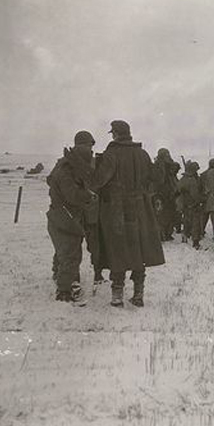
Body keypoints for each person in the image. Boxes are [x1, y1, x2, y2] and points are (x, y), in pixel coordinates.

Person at [91, 120, 165, 307]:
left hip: (117, 209)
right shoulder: (142, 154)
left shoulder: (111, 154)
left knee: (118, 249)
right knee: (138, 249)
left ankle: (117, 296)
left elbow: (99, 181)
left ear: (115, 134)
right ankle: (138, 294)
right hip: (141, 209)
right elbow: (155, 178)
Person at [46, 131, 98, 305]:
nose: (90, 151)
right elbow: (72, 194)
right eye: (89, 147)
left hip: (62, 215)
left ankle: (59, 275)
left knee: (65, 249)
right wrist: (88, 196)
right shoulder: (66, 168)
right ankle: (64, 291)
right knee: (71, 253)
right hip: (65, 215)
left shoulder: (67, 164)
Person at [177, 160, 205, 250]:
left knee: (186, 221)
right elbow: (195, 194)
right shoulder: (192, 180)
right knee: (195, 223)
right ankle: (195, 242)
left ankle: (184, 236)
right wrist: (201, 200)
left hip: (184, 205)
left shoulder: (182, 179)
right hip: (193, 204)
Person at [151, 148, 178, 241]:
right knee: (166, 214)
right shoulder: (169, 166)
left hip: (161, 193)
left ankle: (163, 234)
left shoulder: (158, 165)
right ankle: (165, 234)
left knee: (161, 214)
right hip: (167, 193)